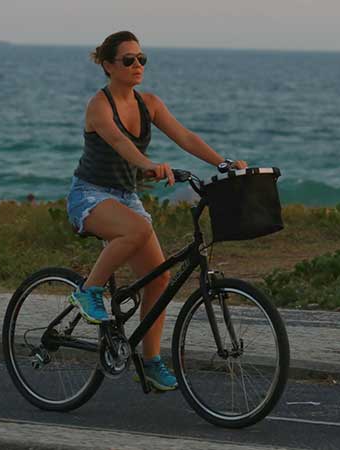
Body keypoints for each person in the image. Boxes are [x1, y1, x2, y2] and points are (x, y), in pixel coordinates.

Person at [66, 31, 246, 391]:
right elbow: (119, 144)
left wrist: (224, 163)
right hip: (89, 195)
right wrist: (149, 164)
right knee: (134, 230)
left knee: (160, 280)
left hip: (125, 197)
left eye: (141, 59)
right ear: (107, 65)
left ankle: (149, 362)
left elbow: (185, 137)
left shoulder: (149, 103)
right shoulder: (99, 106)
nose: (137, 66)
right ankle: (88, 291)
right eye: (128, 60)